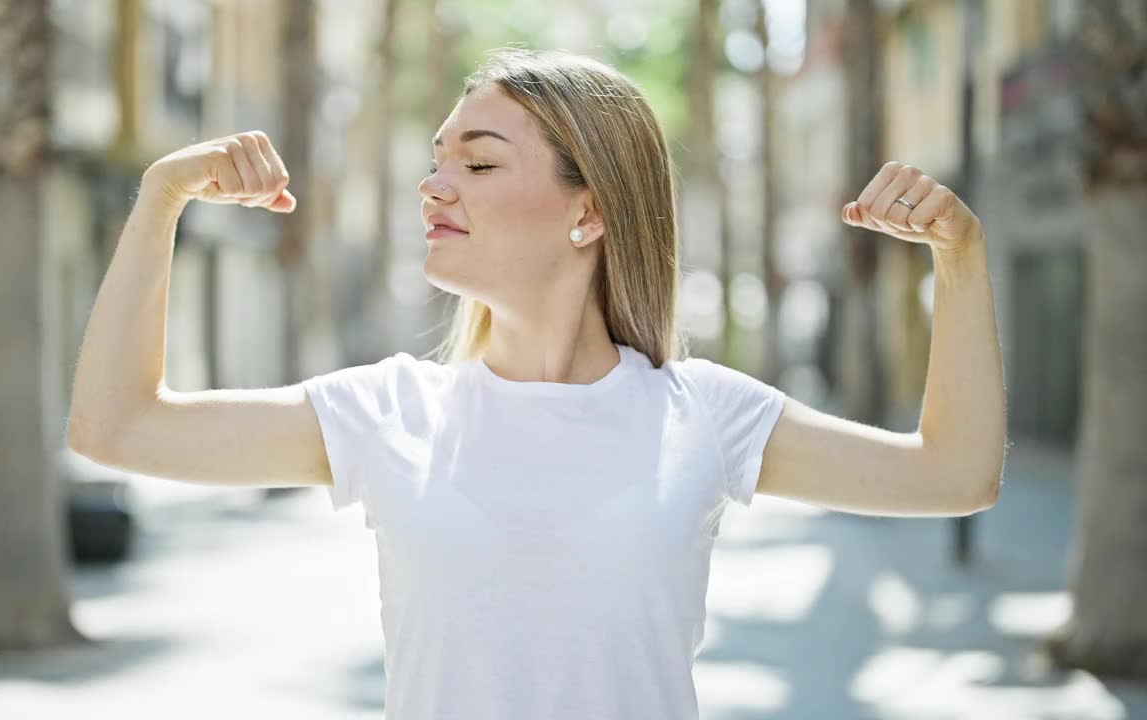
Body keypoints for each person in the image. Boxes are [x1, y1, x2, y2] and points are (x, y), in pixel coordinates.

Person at [67, 48, 1006, 720]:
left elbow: (955, 475)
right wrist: (161, 200)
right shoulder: (387, 413)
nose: (436, 185)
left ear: (589, 208)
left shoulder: (704, 416)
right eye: (438, 159)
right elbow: (118, 428)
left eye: (476, 161)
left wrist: (960, 261)